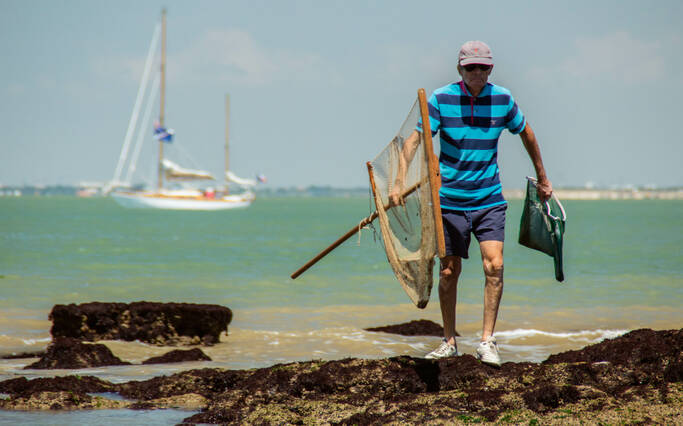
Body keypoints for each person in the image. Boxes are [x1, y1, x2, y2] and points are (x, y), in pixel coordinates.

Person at [389, 40, 552, 366]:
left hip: (489, 198)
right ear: (460, 69)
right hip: (449, 201)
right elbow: (416, 139)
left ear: (490, 68)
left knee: (495, 265)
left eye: (484, 67)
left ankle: (487, 341)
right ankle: (449, 341)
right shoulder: (441, 99)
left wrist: (542, 177)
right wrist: (398, 181)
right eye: (471, 67)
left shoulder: (502, 99)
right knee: (449, 271)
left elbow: (527, 133)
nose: (478, 73)